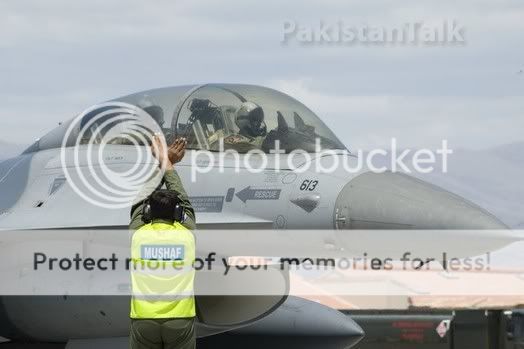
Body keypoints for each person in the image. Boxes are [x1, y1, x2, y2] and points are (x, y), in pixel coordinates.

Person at [129, 135, 197, 349]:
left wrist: (160, 162)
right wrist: (167, 163)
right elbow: (182, 198)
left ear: (148, 211)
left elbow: (141, 199)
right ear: (178, 212)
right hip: (180, 319)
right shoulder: (187, 233)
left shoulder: (138, 233)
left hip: (143, 319)